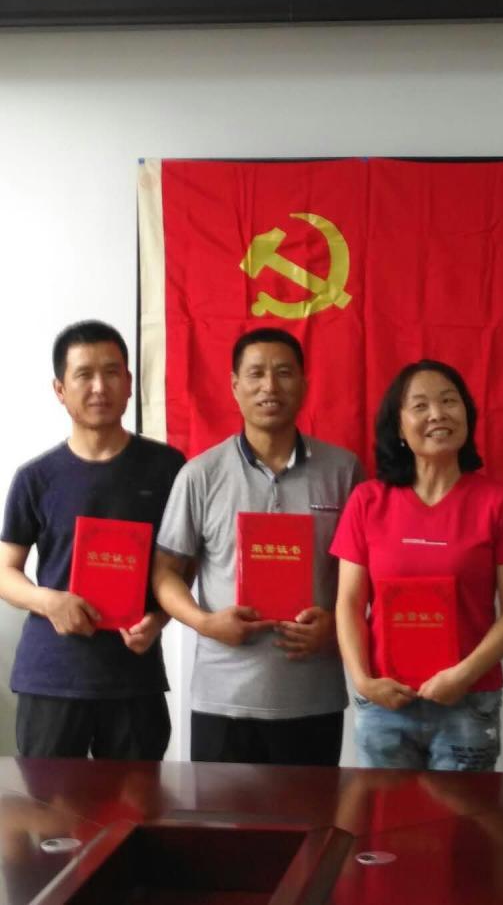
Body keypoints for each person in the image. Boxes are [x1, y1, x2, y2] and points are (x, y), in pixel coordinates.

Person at [152, 327, 363, 765]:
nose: (270, 386)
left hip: (313, 697)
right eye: (256, 374)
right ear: (234, 386)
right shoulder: (200, 474)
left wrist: (337, 626)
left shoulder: (344, 472)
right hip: (223, 699)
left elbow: (368, 575)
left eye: (284, 373)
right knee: (221, 812)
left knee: (311, 810)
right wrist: (206, 623)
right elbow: (165, 571)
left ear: (304, 384)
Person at [331, 359, 503, 771]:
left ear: (467, 415)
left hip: (469, 699)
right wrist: (363, 681)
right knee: (384, 812)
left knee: (462, 814)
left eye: (449, 401)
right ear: (399, 426)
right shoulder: (367, 501)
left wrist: (463, 676)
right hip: (385, 700)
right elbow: (349, 604)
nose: (438, 414)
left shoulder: (499, 503)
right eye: (420, 405)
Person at [0, 320, 185, 759]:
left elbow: (183, 561)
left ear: (129, 383)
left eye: (111, 372)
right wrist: (50, 602)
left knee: (138, 799)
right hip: (53, 675)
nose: (99, 387)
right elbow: (5, 571)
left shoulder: (167, 468)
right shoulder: (36, 477)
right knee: (49, 801)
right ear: (60, 389)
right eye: (84, 374)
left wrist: (160, 618)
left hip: (133, 674)